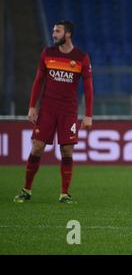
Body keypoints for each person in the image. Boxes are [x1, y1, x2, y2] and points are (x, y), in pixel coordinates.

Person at [13, 20, 94, 204]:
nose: (53, 34)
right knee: (37, 147)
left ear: (68, 34)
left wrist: (88, 115)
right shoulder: (47, 53)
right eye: (53, 31)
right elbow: (38, 80)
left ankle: (64, 194)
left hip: (68, 111)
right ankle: (26, 190)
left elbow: (89, 88)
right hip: (48, 109)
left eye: (57, 31)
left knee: (67, 150)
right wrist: (32, 106)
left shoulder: (81, 58)